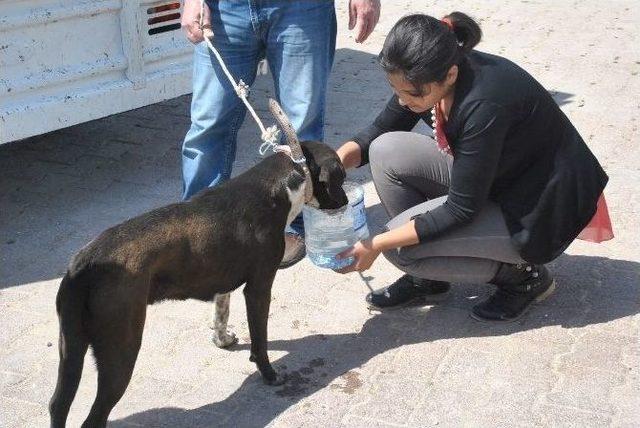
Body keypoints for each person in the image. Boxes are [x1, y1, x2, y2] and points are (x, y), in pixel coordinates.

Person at [334, 12, 613, 322]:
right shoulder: (434, 70)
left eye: (412, 94)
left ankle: (524, 278)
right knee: (386, 149)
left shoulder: (484, 105)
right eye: (396, 90)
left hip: (537, 208)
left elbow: (461, 209)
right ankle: (429, 278)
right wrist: (332, 163)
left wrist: (375, 243)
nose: (403, 100)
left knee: (400, 249)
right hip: (498, 178)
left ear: (449, 76)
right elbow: (380, 130)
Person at [180, 0, 381, 268]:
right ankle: (199, 227)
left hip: (302, 9)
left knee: (300, 130)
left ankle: (293, 223)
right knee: (208, 125)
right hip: (224, 9)